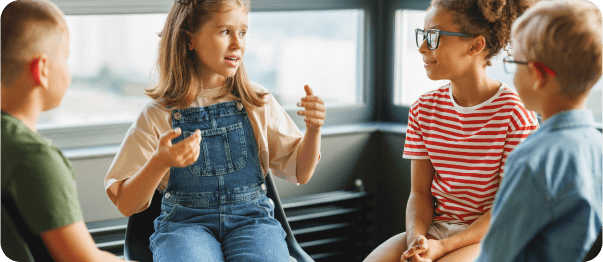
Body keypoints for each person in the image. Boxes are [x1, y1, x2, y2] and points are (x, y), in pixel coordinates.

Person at [103, 0, 325, 261]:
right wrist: (160, 161)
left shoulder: (258, 101)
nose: (237, 43)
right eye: (224, 31)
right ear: (189, 39)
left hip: (253, 224)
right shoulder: (158, 114)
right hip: (184, 227)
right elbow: (127, 204)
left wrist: (313, 130)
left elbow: (301, 171)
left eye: (242, 32)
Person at [364, 0, 539, 261]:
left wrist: (443, 248)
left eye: (434, 36)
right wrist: (417, 241)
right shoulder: (423, 109)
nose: (423, 47)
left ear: (475, 45)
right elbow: (420, 194)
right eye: (423, 35)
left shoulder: (515, 115)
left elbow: (505, 210)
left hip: (492, 236)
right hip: (436, 232)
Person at [474, 1, 602, 261]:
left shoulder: (532, 161)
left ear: (536, 75)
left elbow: (495, 255)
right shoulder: (598, 143)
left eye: (514, 62)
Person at [0, 1, 128, 261]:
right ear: (42, 70)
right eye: (66, 57)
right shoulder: (33, 158)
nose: (68, 67)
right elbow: (84, 259)